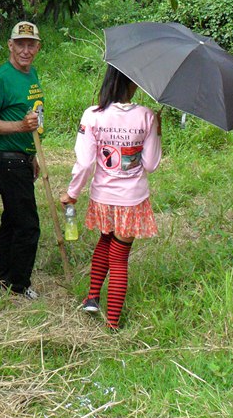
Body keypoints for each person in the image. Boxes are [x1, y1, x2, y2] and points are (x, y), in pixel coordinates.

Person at [59, 65, 161, 330]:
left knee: (106, 240)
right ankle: (113, 323)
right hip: (132, 199)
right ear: (132, 84)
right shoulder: (147, 116)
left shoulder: (92, 115)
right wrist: (158, 131)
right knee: (119, 257)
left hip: (102, 197)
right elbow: (151, 164)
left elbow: (84, 163)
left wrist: (72, 193)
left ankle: (92, 298)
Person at [0, 21, 45, 299]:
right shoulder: (1, 78)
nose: (25, 50)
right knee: (28, 226)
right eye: (20, 44)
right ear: (10, 45)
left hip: (23, 159)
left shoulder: (32, 74)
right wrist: (19, 127)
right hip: (7, 163)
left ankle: (1, 277)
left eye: (31, 45)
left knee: (12, 219)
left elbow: (32, 117)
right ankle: (19, 285)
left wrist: (33, 155)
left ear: (38, 47)